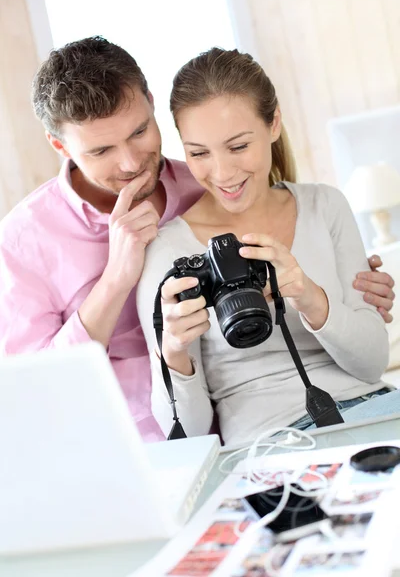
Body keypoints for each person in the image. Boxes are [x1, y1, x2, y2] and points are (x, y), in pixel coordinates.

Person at [0, 38, 394, 443]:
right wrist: (119, 280)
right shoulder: (22, 241)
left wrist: (343, 291)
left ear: (152, 104)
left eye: (139, 132)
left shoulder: (209, 182)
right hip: (128, 439)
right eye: (101, 150)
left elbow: (366, 346)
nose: (131, 163)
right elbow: (39, 393)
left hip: (335, 407)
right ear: (60, 146)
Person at [137, 48, 397, 446]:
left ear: (273, 123)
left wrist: (310, 297)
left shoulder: (325, 205)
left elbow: (373, 363)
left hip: (376, 408)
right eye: (199, 153)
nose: (222, 174)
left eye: (239, 146)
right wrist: (172, 352)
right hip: (272, 443)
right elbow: (186, 431)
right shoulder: (166, 250)